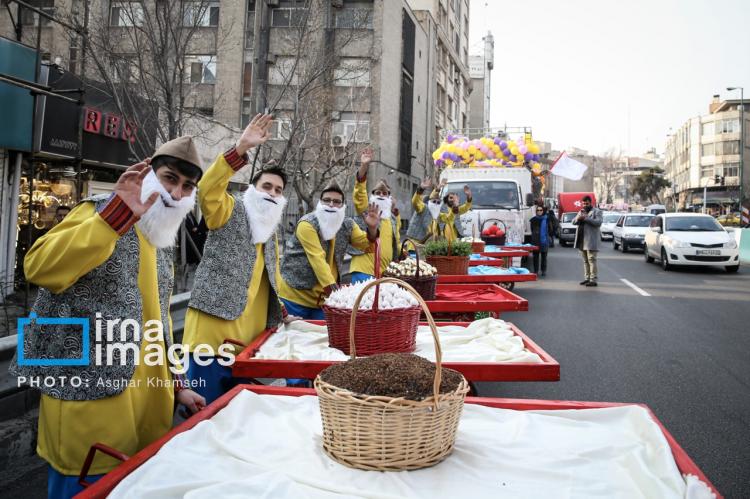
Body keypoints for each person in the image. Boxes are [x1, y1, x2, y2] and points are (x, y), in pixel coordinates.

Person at [11, 136, 206, 499]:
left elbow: (160, 321)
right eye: (169, 178)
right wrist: (114, 216)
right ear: (148, 173)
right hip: (88, 398)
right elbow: (38, 267)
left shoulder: (160, 238)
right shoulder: (101, 209)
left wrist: (178, 384)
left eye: (187, 186)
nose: (176, 193)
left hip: (148, 402)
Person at [183, 114, 296, 404]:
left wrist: (282, 312)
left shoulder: (270, 234)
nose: (272, 193)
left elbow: (267, 281)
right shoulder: (229, 211)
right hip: (211, 339)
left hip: (248, 346)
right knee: (203, 416)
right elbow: (207, 190)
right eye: (266, 187)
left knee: (236, 418)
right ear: (252, 190)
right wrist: (239, 149)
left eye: (278, 190)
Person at [278, 182, 381, 319]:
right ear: (319, 203)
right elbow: (318, 260)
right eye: (327, 200)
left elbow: (368, 246)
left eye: (337, 201)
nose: (331, 205)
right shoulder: (307, 224)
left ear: (343, 206)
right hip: (295, 297)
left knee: (326, 338)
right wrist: (339, 297)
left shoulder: (347, 225)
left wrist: (372, 229)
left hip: (323, 301)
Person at [348, 148, 401, 283]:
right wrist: (364, 166)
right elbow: (359, 193)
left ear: (390, 197)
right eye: (378, 193)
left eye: (385, 193)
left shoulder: (392, 219)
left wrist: (402, 255)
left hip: (384, 273)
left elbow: (397, 242)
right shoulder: (366, 209)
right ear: (372, 196)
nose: (381, 196)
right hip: (364, 271)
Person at [572, 195, 603, 287]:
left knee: (591, 259)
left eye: (587, 203)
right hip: (581, 239)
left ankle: (593, 280)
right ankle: (587, 278)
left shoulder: (597, 211)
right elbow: (573, 222)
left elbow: (598, 223)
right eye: (584, 203)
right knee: (585, 260)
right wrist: (578, 218)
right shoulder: (581, 211)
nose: (585, 205)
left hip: (591, 240)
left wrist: (586, 218)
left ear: (591, 203)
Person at [406, 177, 443, 243]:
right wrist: (421, 189)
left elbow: (449, 217)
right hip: (415, 243)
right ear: (429, 202)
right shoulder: (423, 208)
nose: (436, 204)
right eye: (434, 202)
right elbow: (415, 201)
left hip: (428, 245)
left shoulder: (437, 214)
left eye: (438, 202)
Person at [530, 205, 553, 276]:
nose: (539, 212)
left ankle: (543, 271)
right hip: (535, 241)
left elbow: (550, 229)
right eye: (538, 210)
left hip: (544, 240)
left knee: (544, 257)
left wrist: (546, 236)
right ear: (536, 211)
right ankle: (536, 271)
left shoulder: (547, 219)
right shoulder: (533, 220)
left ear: (543, 211)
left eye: (541, 210)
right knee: (535, 257)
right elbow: (532, 229)